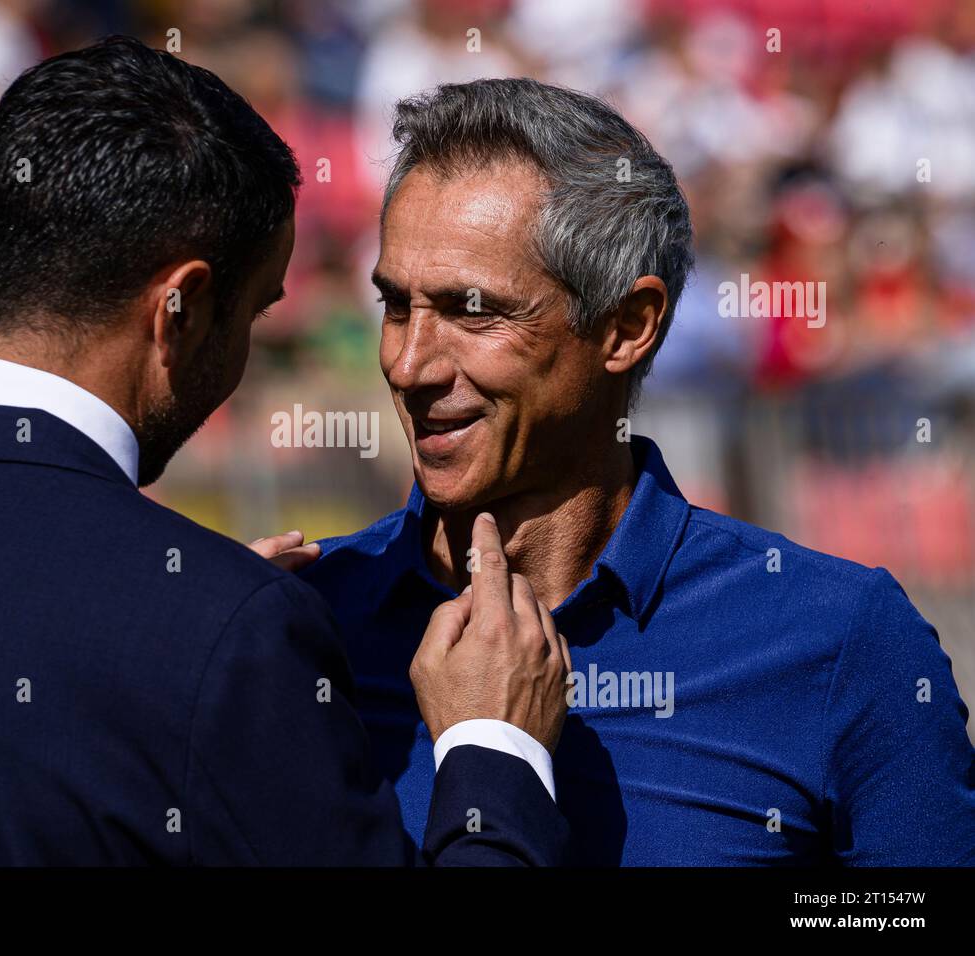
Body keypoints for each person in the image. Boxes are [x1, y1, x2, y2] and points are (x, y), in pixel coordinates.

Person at [0, 39, 570, 866]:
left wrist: (192, 640)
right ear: (180, 307)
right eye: (254, 312)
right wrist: (495, 750)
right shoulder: (222, 634)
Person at [299, 78, 975, 865]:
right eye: (394, 306)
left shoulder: (839, 640)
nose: (409, 362)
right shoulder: (305, 632)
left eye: (472, 311)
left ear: (627, 326)